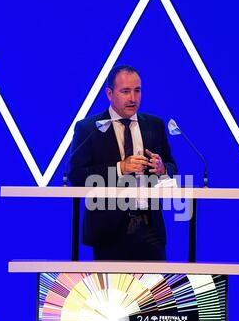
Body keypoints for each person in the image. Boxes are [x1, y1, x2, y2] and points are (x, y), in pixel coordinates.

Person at [68, 64, 177, 260]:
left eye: (137, 90)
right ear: (110, 94)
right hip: (108, 230)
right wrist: (120, 168)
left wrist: (162, 169)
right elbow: (76, 175)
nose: (133, 98)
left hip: (149, 227)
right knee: (113, 292)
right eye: (125, 91)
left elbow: (172, 167)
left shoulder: (155, 126)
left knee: (154, 290)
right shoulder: (89, 129)